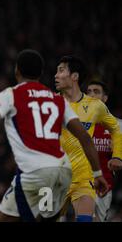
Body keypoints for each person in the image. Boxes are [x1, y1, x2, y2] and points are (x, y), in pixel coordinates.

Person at [0, 49, 108, 222]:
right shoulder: (57, 100)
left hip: (35, 172)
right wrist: (97, 173)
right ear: (41, 73)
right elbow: (85, 138)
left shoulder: (11, 95)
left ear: (17, 70)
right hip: (61, 171)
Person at [55, 56, 122, 222]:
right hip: (54, 177)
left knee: (87, 220)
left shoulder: (95, 106)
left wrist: (117, 155)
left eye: (61, 70)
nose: (55, 75)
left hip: (84, 178)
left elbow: (115, 129)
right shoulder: (50, 102)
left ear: (75, 76)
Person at [86, 80, 121, 221]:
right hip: (81, 185)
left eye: (96, 91)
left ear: (105, 98)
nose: (92, 95)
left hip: (105, 188)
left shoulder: (118, 126)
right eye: (88, 92)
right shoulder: (77, 124)